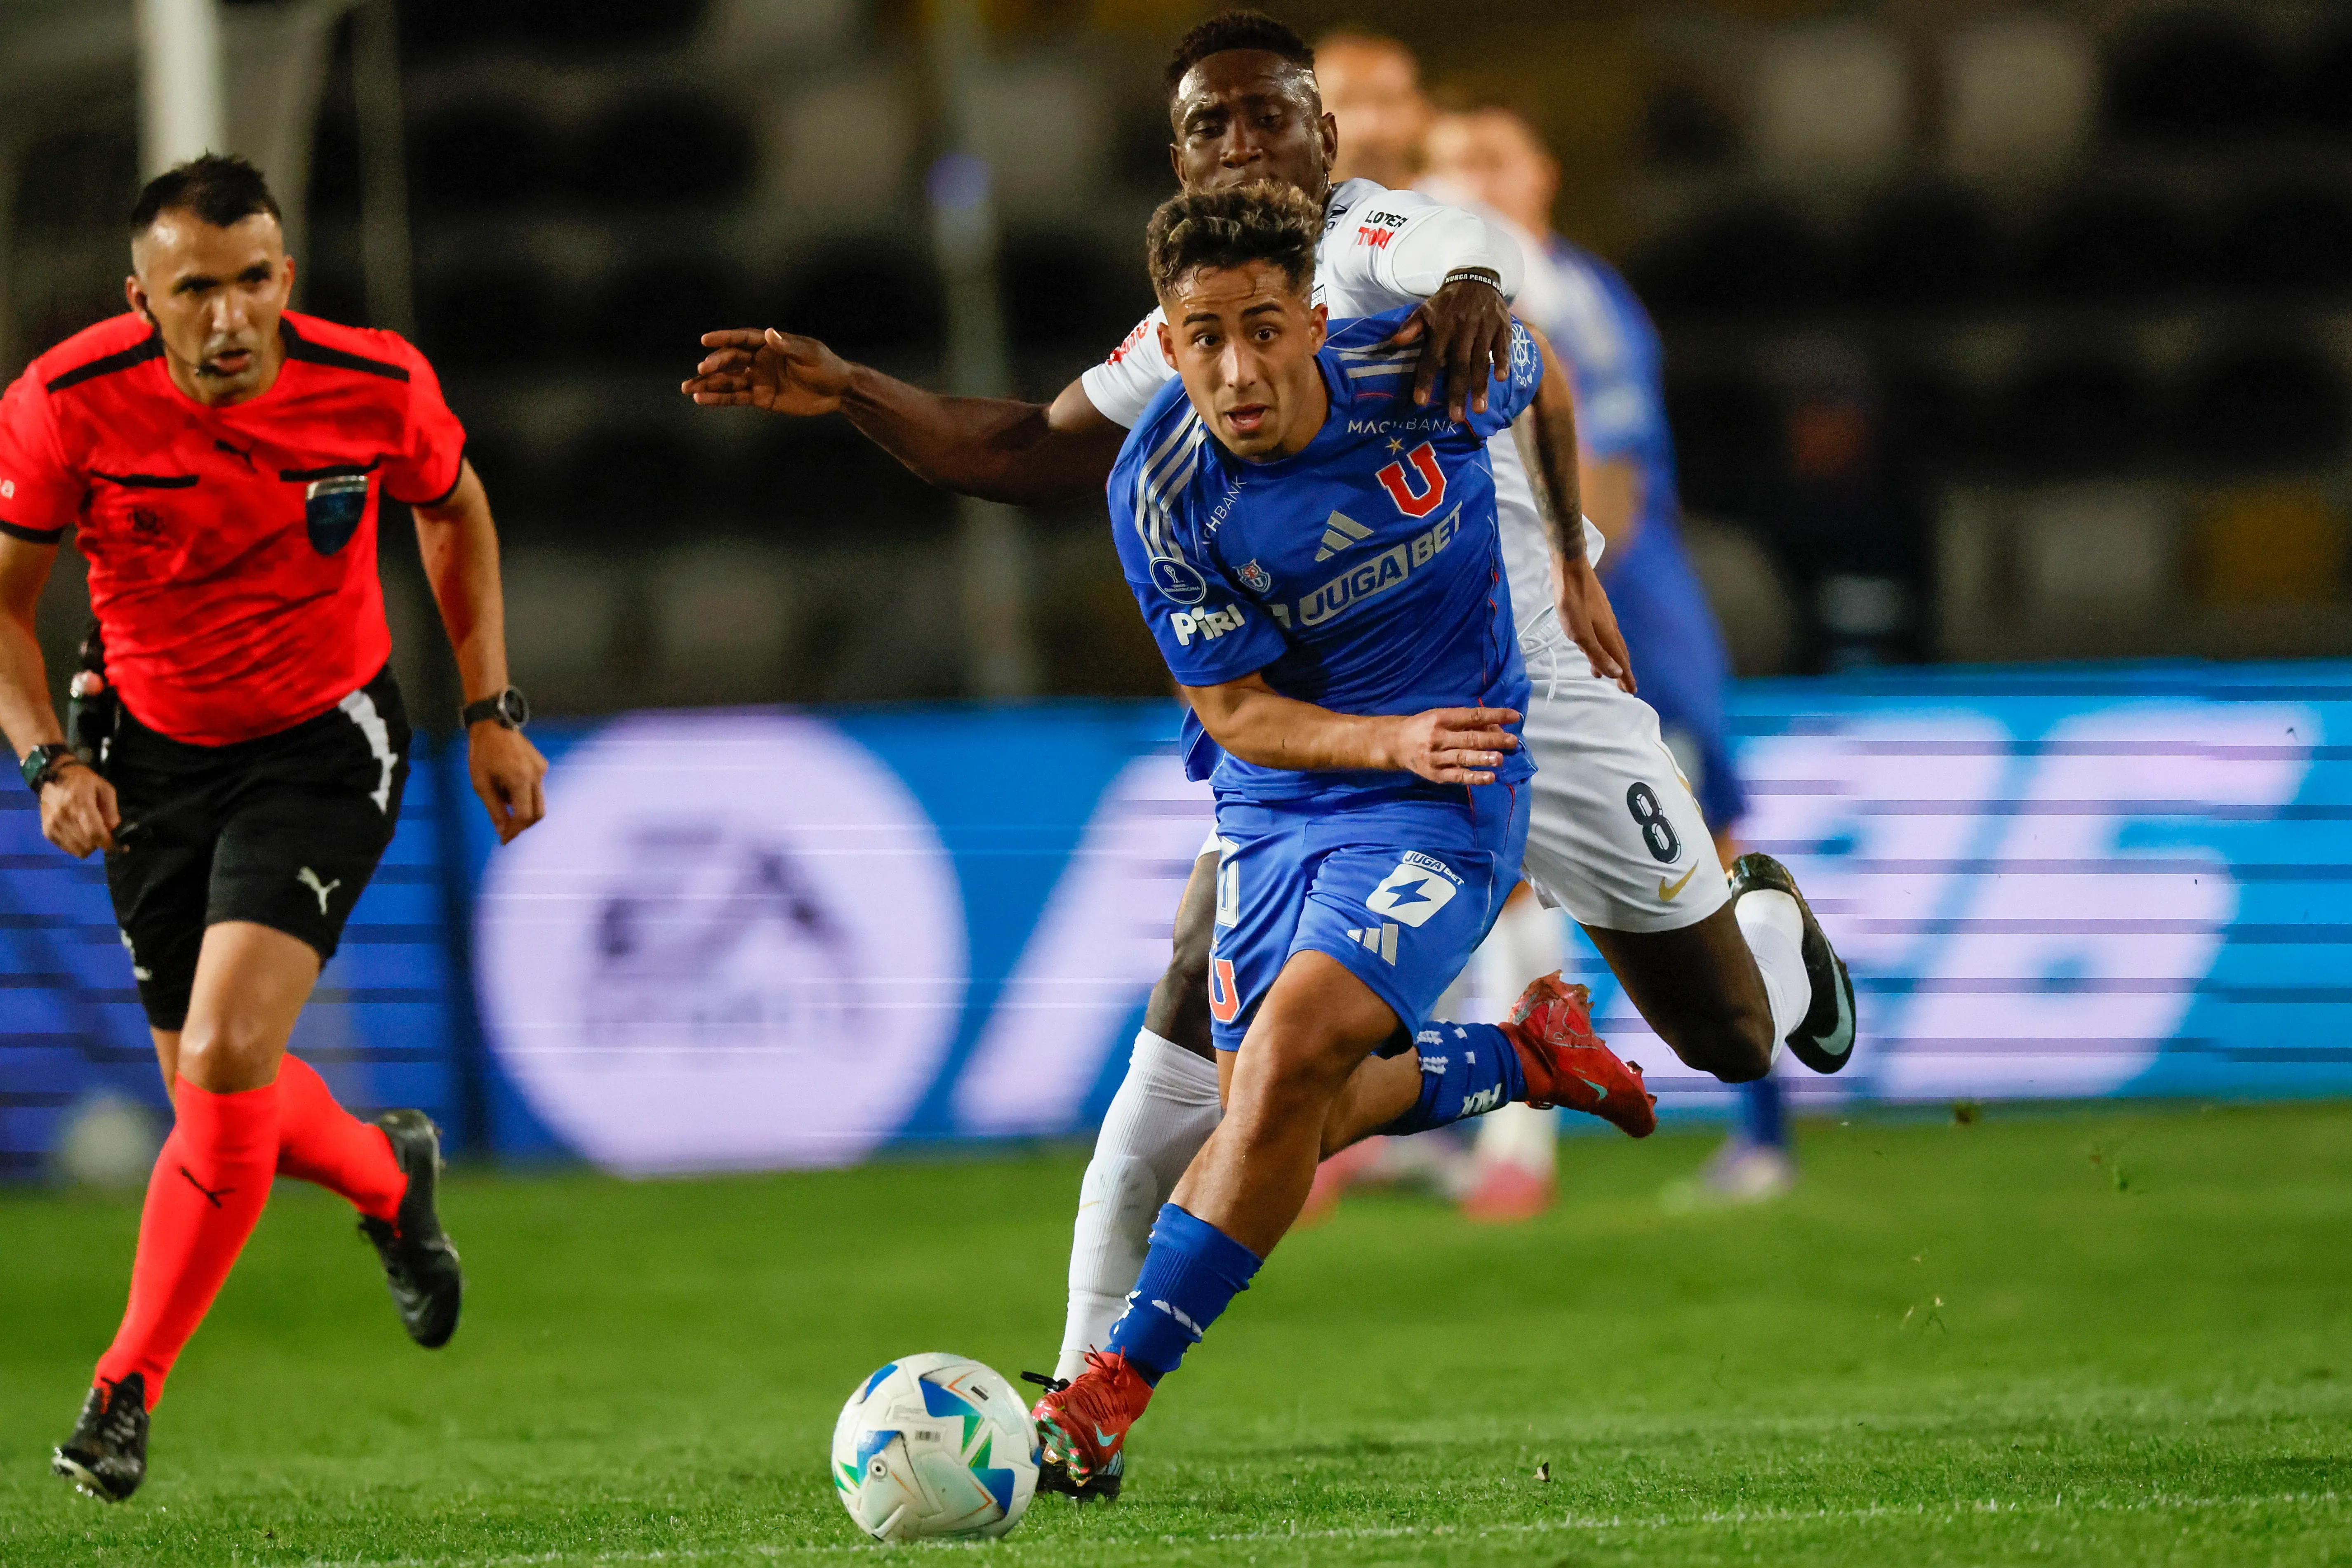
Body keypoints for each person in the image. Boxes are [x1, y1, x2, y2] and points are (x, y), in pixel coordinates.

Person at [682, 8, 1852, 1496]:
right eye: (1207, 127)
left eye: (1267, 116)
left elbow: (1492, 318)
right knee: (1206, 1050)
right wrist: (851, 389)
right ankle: (1082, 1399)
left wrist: (1565, 555)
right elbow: (1024, 451)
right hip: (1320, 740)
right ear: (1176, 162)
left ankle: (1753, 937)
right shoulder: (1188, 343)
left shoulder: (1381, 243)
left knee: (1730, 1039)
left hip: (1525, 695)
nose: (1243, 143)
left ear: (1323, 135)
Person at [1030, 180, 1643, 1491]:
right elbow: (1239, 711)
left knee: (1292, 1055)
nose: (1236, 369)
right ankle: (1519, 1058)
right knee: (1272, 1113)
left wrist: (1574, 566)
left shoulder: (1418, 375)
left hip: (1450, 791)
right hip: (1283, 802)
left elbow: (1540, 388)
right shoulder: (1158, 491)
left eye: (1262, 327)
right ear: (1168, 338)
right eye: (1202, 338)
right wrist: (1381, 739)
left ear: (1312, 320)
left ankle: (1105, 1394)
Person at [0, 154, 548, 1502]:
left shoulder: (374, 384)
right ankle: (383, 1173)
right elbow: (3, 604)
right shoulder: (64, 405)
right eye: (196, 291)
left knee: (235, 1050)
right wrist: (47, 762)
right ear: (143, 299)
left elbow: (454, 509)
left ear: (286, 276)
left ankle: (124, 1387)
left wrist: (488, 705)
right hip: (146, 758)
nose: (230, 317)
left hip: (322, 741)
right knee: (213, 1094)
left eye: (253, 281)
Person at [1424, 104, 1796, 1207]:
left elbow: (1615, 486)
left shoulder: (1573, 299)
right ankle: (1501, 1134)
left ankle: (1764, 1123)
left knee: (1701, 851)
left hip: (1624, 611)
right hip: (1515, 622)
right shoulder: (1437, 298)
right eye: (1453, 167)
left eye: (1493, 158)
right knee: (1497, 855)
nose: (1474, 181)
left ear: (1541, 174)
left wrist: (1550, 602)